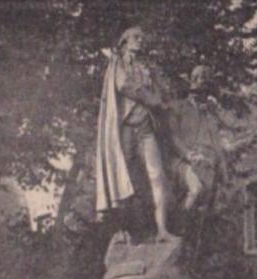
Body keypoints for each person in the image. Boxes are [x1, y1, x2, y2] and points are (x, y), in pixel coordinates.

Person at [95, 26, 177, 242]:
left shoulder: (146, 68)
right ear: (125, 42)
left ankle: (162, 230)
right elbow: (125, 86)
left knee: (157, 176)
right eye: (136, 38)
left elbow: (160, 93)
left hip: (146, 126)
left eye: (142, 38)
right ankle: (127, 231)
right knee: (125, 180)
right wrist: (153, 99)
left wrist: (159, 99)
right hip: (126, 129)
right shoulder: (117, 64)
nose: (140, 41)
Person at [168, 65, 229, 213]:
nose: (202, 96)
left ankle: (191, 233)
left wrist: (223, 172)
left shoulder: (210, 115)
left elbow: (217, 145)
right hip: (185, 162)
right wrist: (188, 155)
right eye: (200, 86)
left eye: (206, 91)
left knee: (205, 210)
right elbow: (172, 136)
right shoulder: (179, 108)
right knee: (195, 191)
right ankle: (178, 224)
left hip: (209, 164)